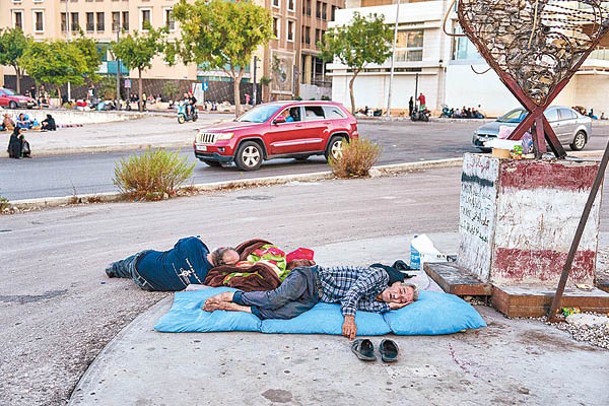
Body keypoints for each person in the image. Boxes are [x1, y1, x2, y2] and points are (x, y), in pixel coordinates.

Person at [203, 264, 419, 339]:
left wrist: (389, 306)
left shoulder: (376, 301)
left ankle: (235, 307)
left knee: (283, 313)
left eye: (403, 299)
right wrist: (349, 319)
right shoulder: (380, 275)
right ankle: (230, 295)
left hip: (315, 296)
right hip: (310, 277)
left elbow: (359, 303)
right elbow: (353, 293)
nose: (399, 295)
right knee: (275, 299)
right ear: (395, 284)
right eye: (401, 291)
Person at [105, 237, 240, 291]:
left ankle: (115, 268)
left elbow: (178, 244)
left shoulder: (193, 244)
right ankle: (121, 270)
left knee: (139, 259)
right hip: (150, 285)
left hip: (142, 264)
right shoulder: (207, 278)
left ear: (219, 248)